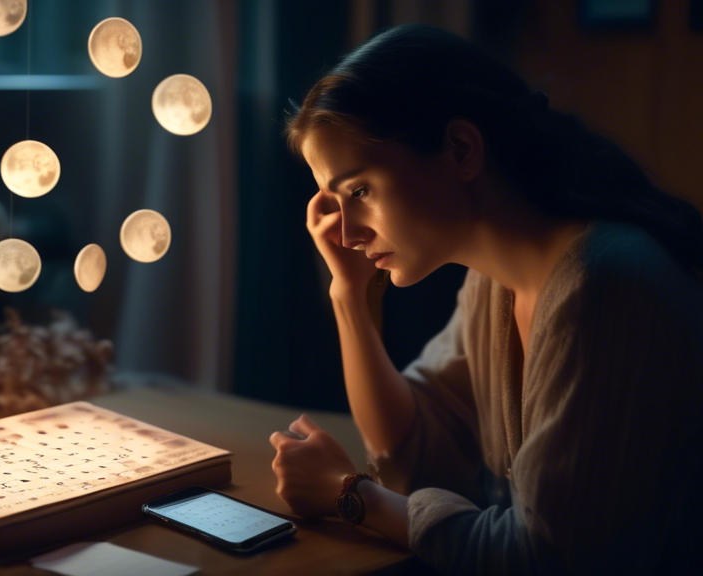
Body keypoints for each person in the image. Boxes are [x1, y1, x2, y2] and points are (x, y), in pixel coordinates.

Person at [268, 23, 703, 575]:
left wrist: (353, 497)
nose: (348, 233)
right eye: (335, 201)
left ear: (460, 149)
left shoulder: (604, 288)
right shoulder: (494, 283)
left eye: (360, 191)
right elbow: (413, 454)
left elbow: (546, 559)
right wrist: (349, 296)